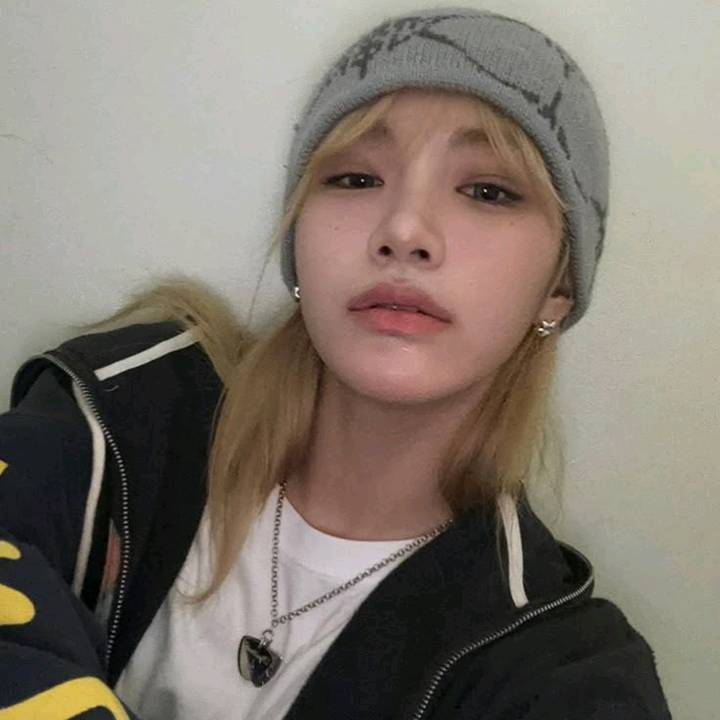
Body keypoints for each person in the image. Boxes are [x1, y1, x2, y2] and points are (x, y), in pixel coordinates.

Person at [0, 7, 672, 719]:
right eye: (354, 178)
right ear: (299, 239)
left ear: (560, 286)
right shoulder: (126, 413)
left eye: (488, 191)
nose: (404, 230)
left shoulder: (561, 665)